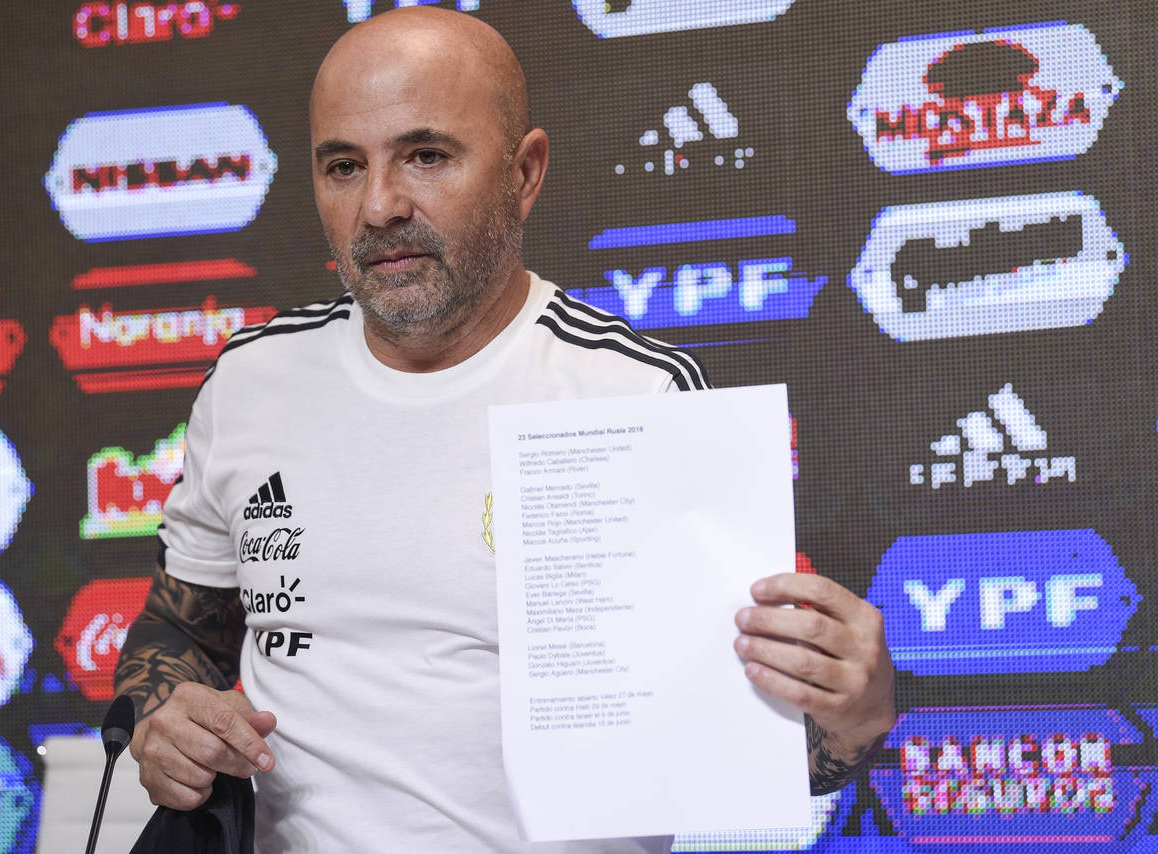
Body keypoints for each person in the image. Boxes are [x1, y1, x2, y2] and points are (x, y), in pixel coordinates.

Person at [114, 7, 895, 851]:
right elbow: (178, 630)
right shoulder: (250, 381)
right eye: (343, 166)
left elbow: (741, 745)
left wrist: (855, 716)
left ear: (525, 173)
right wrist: (164, 717)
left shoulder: (638, 394)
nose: (379, 206)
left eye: (425, 156)